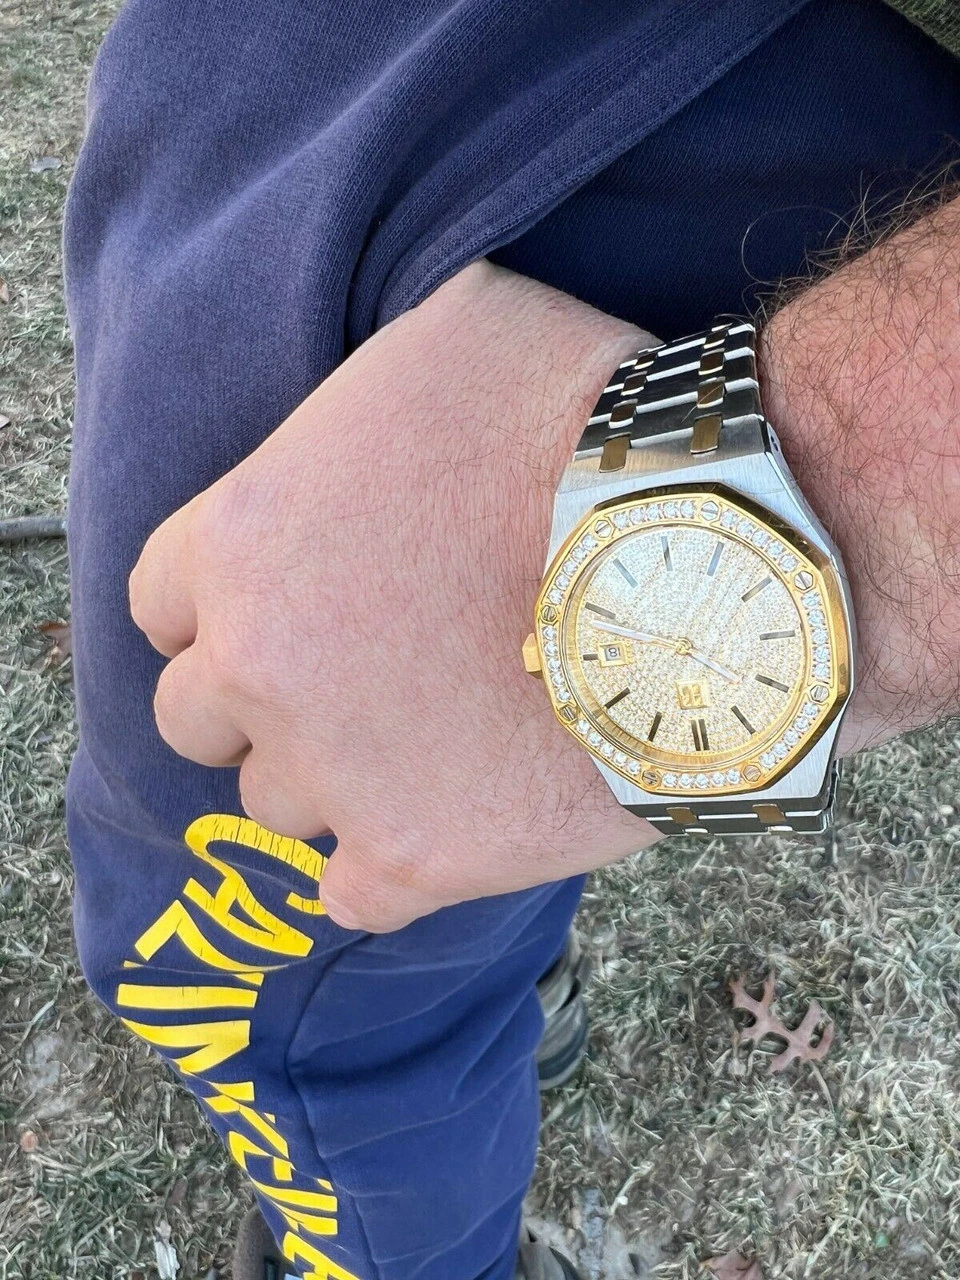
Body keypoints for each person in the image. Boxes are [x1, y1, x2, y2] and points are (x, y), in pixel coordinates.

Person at [63, 1, 960, 1277]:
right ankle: (499, 971)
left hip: (567, 140)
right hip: (390, 98)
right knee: (421, 852)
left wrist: (857, 495)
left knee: (275, 994)